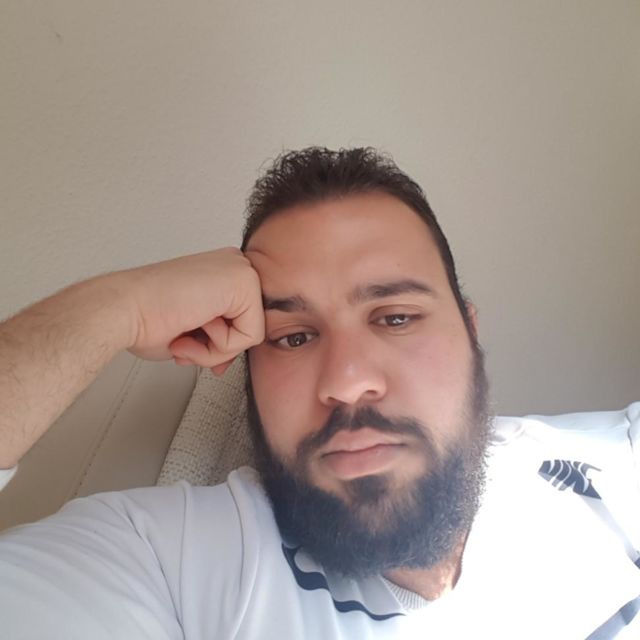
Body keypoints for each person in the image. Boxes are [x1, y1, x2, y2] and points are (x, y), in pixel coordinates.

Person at [0, 147, 638, 639]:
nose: (346, 381)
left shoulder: (616, 469)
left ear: (470, 333)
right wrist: (116, 308)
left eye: (395, 317)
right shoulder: (170, 567)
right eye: (294, 337)